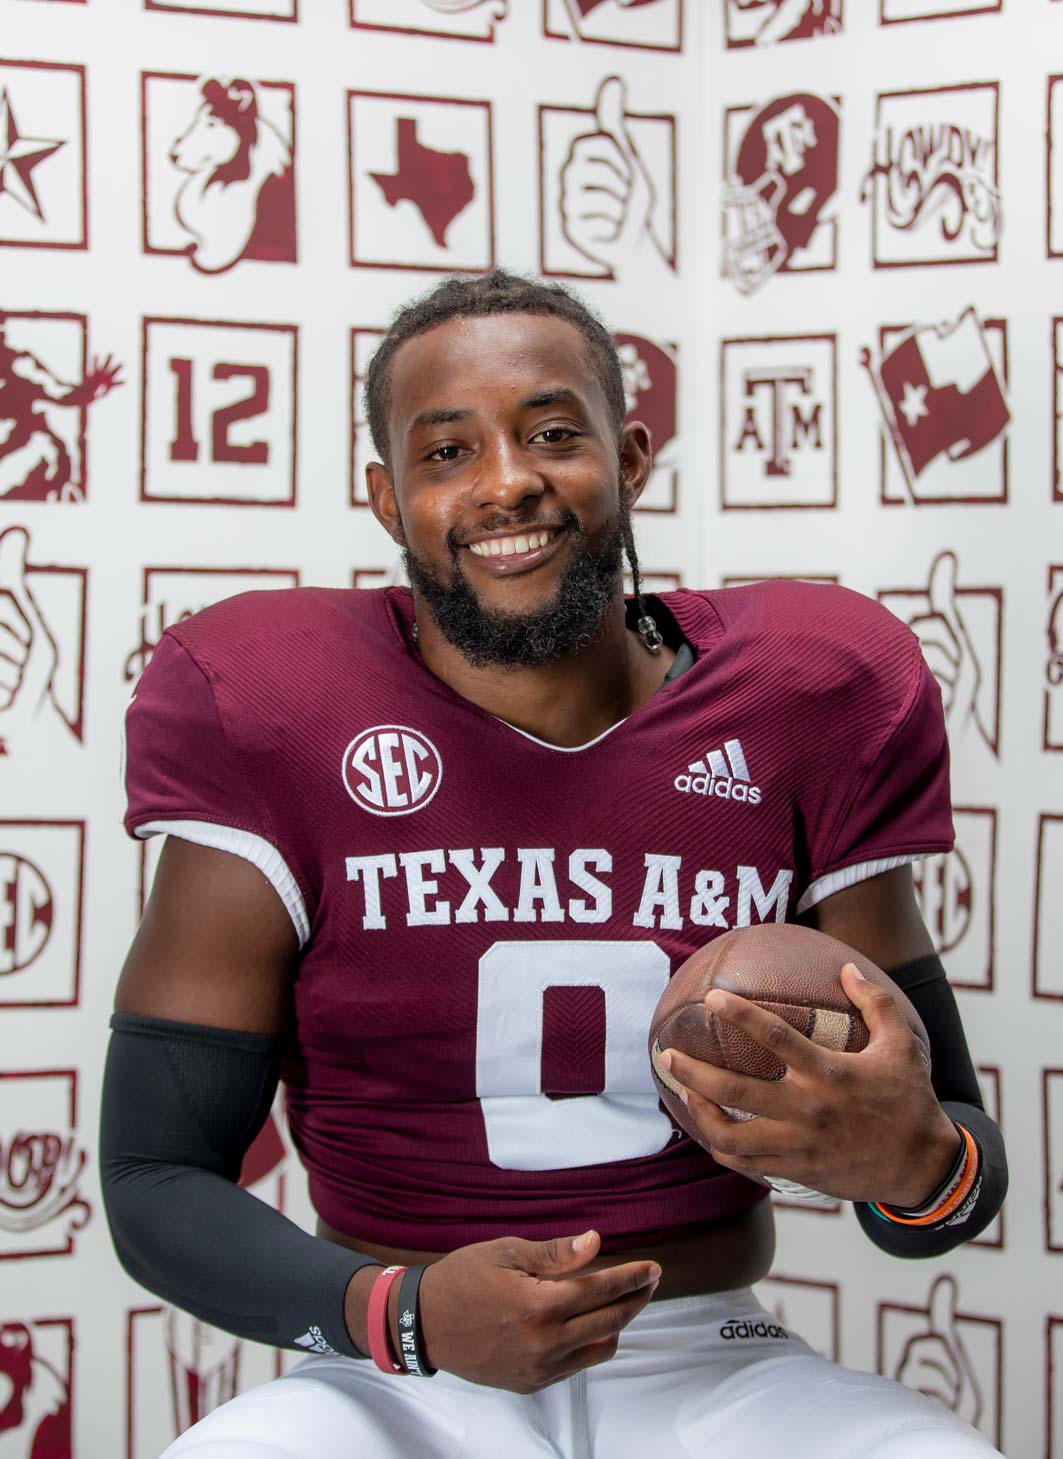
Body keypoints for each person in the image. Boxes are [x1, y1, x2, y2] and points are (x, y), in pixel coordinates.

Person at [101, 269, 1007, 1458]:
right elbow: (154, 1176)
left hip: (705, 1354)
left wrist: (907, 1157)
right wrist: (404, 1315)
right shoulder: (268, 703)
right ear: (386, 500)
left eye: (551, 433)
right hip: (395, 1371)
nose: (506, 481)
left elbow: (951, 1172)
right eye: (446, 453)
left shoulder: (809, 689)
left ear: (628, 458)